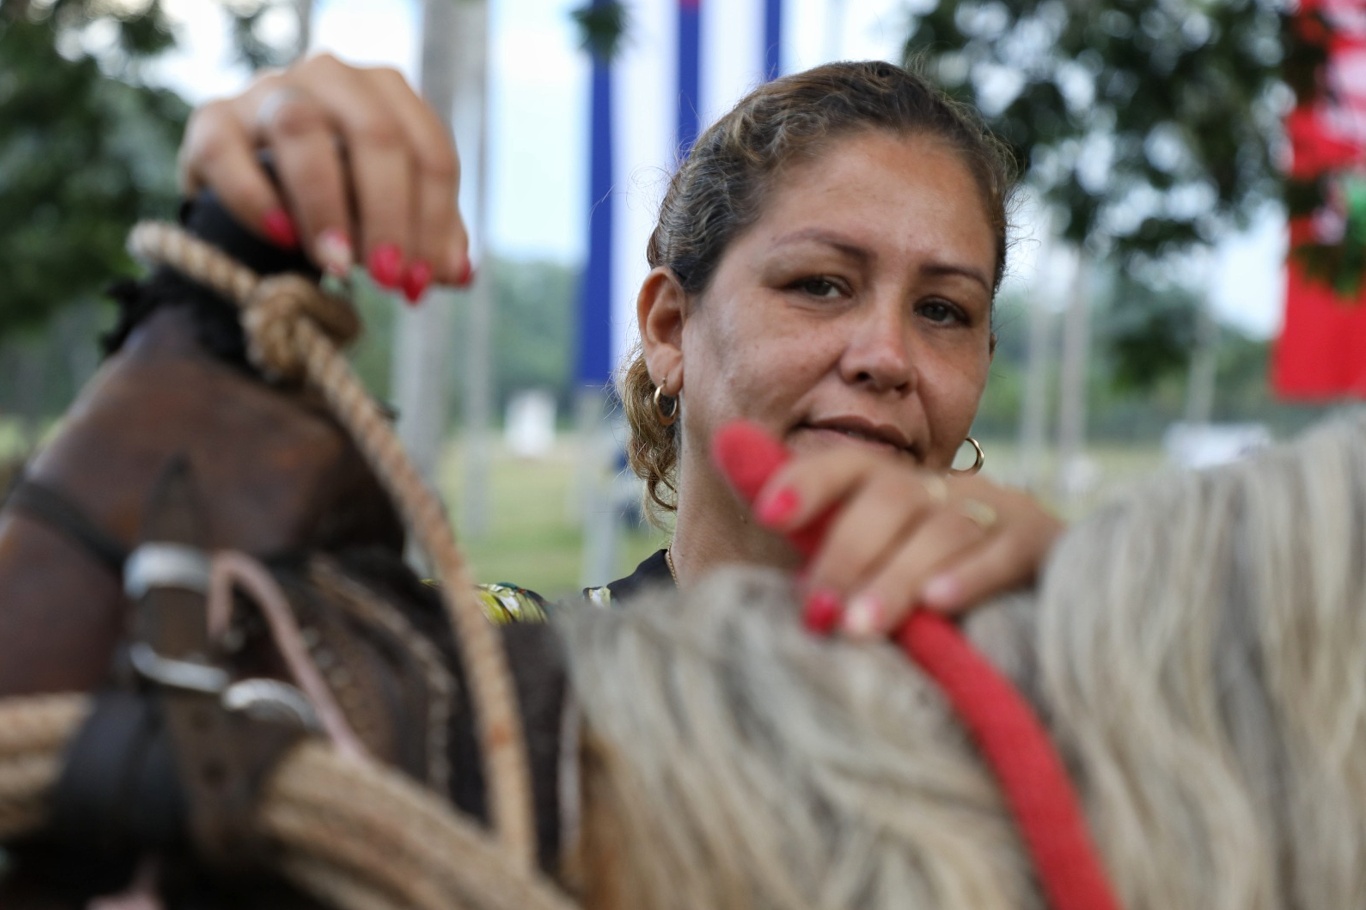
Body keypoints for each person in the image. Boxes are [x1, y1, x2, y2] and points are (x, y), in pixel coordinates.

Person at [180, 54, 1064, 637]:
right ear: (670, 329)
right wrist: (228, 254)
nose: (887, 354)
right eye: (820, 285)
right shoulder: (500, 673)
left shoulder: (1063, 686)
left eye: (943, 310)